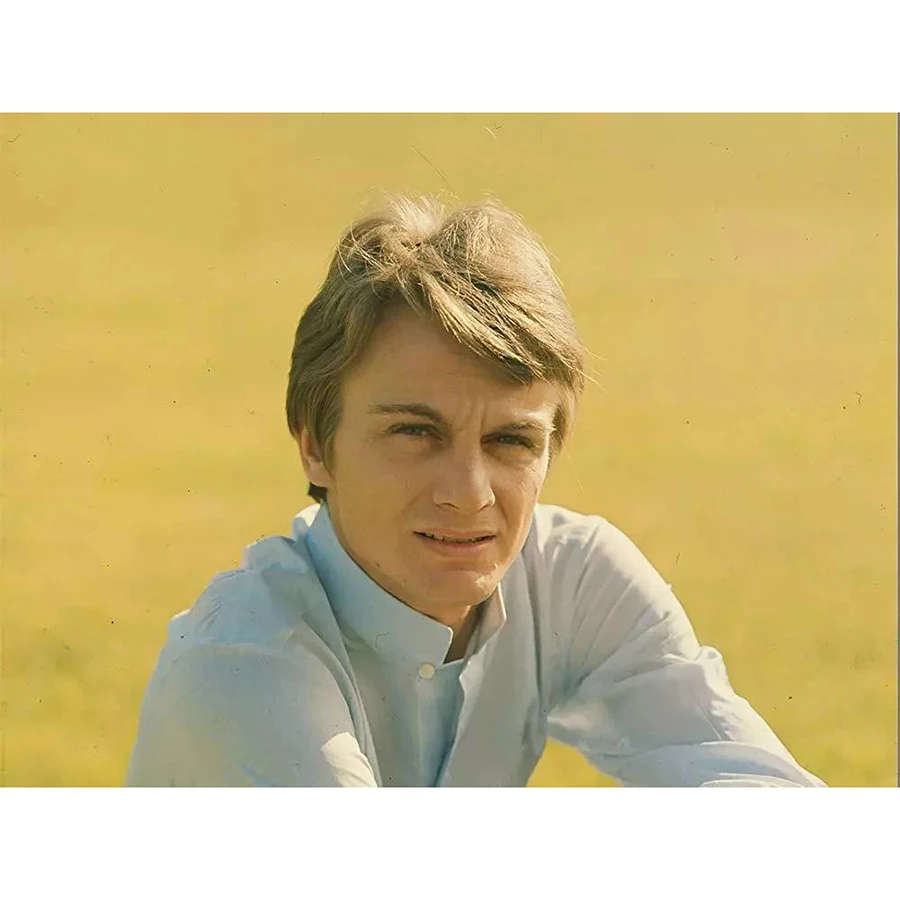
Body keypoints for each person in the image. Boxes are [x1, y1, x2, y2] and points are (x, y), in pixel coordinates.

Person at [126, 195, 824, 787]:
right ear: (314, 444)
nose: (469, 494)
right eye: (414, 432)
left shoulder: (570, 576)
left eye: (510, 441)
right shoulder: (243, 662)